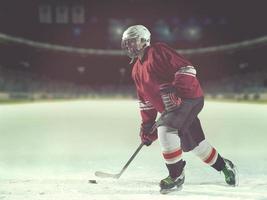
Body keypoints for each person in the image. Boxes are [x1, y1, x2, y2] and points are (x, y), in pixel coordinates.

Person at [121, 25, 237, 194]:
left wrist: (176, 89)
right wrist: (147, 127)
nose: (129, 46)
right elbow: (146, 101)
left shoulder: (157, 51)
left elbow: (187, 68)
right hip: (173, 109)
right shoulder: (136, 70)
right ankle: (225, 166)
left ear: (144, 40)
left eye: (132, 42)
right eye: (127, 43)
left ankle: (176, 176)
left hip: (188, 98)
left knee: (166, 130)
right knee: (196, 145)